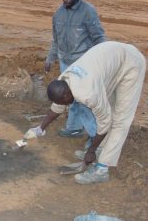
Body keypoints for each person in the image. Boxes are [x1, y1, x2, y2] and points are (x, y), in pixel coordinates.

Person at [25, 41, 146, 184]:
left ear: (66, 96)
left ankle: (102, 169)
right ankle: (101, 151)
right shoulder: (65, 79)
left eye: (64, 103)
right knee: (109, 110)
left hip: (130, 65)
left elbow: (105, 122)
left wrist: (91, 150)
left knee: (120, 120)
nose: (65, 106)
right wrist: (40, 128)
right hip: (112, 61)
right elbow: (58, 106)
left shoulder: (88, 94)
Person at [45, 0, 107, 138]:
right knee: (69, 100)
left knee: (85, 104)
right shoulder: (58, 14)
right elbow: (56, 40)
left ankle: (95, 137)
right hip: (66, 64)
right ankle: (74, 127)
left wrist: (102, 62)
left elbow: (99, 37)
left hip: (84, 65)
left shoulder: (88, 12)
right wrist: (51, 58)